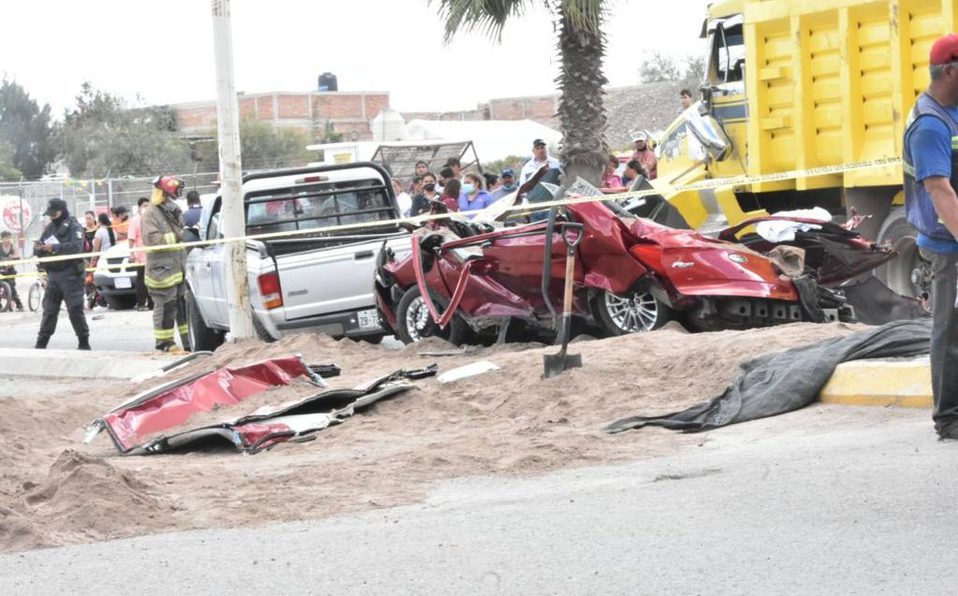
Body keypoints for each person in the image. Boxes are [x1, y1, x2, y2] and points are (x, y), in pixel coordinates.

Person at [903, 33, 958, 439]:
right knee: (950, 328)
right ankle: (949, 416)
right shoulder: (929, 125)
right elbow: (940, 190)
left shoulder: (950, 111)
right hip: (948, 245)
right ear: (950, 72)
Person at [34, 199, 90, 350]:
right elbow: (38, 247)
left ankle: (83, 342)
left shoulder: (73, 226)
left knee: (75, 310)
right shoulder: (50, 228)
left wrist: (54, 247)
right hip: (53, 275)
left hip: (71, 275)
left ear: (62, 211)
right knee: (49, 310)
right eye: (50, 214)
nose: (52, 216)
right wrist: (40, 248)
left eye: (54, 213)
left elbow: (76, 247)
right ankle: (41, 343)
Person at [143, 175, 189, 353]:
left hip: (177, 268)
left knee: (182, 307)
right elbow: (153, 240)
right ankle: (164, 343)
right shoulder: (150, 214)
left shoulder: (172, 210)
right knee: (166, 307)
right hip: (161, 272)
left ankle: (188, 342)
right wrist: (179, 235)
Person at [127, 197, 153, 311]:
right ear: (139, 207)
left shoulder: (151, 219)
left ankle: (152, 303)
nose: (146, 208)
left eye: (148, 206)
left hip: (151, 255)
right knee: (141, 280)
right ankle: (141, 304)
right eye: (144, 206)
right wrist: (132, 254)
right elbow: (131, 238)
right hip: (140, 256)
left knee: (152, 280)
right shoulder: (135, 220)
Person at [0, 230, 24, 311]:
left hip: (10, 270)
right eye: (5, 238)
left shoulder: (13, 247)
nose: (7, 240)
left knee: (11, 286)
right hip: (0, 269)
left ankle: (19, 304)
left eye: (9, 238)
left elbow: (18, 257)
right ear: (2, 239)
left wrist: (13, 258)